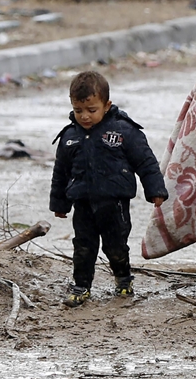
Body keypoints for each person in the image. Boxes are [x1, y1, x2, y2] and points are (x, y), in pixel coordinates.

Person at [50, 71, 167, 307]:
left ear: (106, 105)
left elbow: (145, 162)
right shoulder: (69, 137)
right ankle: (81, 286)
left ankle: (123, 278)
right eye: (78, 110)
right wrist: (60, 204)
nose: (84, 116)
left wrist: (155, 190)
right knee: (83, 247)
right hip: (83, 203)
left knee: (116, 246)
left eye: (91, 110)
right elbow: (61, 172)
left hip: (114, 204)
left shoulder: (124, 131)